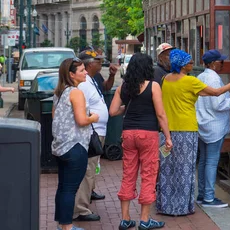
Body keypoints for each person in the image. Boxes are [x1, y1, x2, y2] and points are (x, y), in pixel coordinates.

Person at [156, 49, 230, 216]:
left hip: (167, 131)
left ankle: (167, 205)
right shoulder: (190, 81)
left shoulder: (165, 79)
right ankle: (188, 204)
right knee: (186, 169)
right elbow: (217, 94)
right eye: (190, 62)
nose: (192, 64)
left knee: (168, 168)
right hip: (186, 130)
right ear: (182, 66)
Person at [109, 53, 172, 230]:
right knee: (148, 175)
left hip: (128, 134)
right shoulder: (153, 86)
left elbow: (113, 111)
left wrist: (128, 107)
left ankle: (125, 219)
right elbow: (160, 114)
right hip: (148, 134)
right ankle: (144, 220)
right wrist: (167, 137)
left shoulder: (124, 86)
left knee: (128, 174)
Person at [52, 58, 99, 230]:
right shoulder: (76, 92)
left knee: (63, 187)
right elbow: (81, 120)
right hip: (75, 146)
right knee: (70, 189)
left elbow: (55, 117)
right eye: (81, 70)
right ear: (71, 74)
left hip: (61, 147)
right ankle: (67, 226)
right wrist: (93, 117)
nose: (86, 72)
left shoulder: (59, 92)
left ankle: (62, 224)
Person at [195, 50, 230, 208]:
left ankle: (201, 195)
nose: (222, 63)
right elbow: (219, 104)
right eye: (220, 61)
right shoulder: (214, 79)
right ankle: (208, 197)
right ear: (213, 63)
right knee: (212, 162)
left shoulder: (200, 76)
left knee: (203, 161)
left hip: (202, 125)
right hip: (214, 126)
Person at [72, 50, 109, 222]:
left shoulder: (92, 80)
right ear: (88, 64)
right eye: (97, 61)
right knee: (87, 170)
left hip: (98, 130)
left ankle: (87, 196)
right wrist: (92, 121)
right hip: (92, 131)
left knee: (92, 169)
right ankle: (81, 209)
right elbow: (81, 110)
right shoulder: (84, 83)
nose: (100, 64)